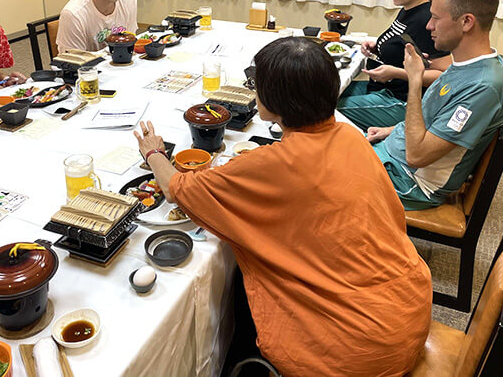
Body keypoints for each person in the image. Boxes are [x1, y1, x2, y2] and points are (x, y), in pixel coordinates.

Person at [135, 37, 432, 376]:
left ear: (275, 100)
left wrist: (154, 152)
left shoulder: (276, 163)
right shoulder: (350, 135)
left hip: (359, 348)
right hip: (408, 306)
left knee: (241, 283)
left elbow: (177, 189)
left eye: (255, 84)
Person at [367, 0, 503, 210]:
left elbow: (417, 156)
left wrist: (415, 79)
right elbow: (434, 117)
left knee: (315, 176)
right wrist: (391, 130)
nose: (428, 25)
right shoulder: (468, 63)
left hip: (410, 181)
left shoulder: (483, 87)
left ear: (466, 22)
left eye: (435, 18)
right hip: (395, 154)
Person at [337, 0, 451, 131]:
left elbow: (443, 75)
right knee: (326, 94)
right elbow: (405, 49)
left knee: (324, 110)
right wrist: (378, 48)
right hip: (383, 88)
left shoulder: (426, 19)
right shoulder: (408, 9)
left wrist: (397, 73)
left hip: (401, 100)